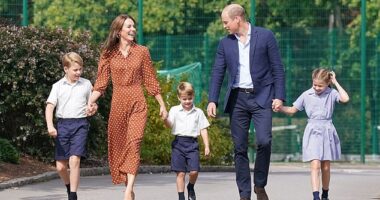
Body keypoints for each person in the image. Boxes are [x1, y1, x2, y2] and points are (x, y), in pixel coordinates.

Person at [207, 3, 286, 200]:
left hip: (263, 96)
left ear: (237, 19)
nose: (224, 26)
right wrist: (212, 99)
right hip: (238, 100)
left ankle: (260, 185)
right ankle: (244, 194)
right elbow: (218, 71)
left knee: (264, 141)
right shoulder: (225, 43)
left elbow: (277, 68)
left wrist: (279, 96)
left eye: (226, 22)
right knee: (239, 148)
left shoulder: (265, 36)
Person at [86, 14, 168, 200]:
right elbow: (101, 83)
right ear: (118, 31)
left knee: (134, 143)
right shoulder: (108, 54)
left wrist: (162, 105)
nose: (133, 30)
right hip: (118, 104)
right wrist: (91, 102)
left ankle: (127, 191)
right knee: (120, 146)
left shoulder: (142, 51)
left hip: (138, 102)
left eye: (134, 26)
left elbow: (150, 80)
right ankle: (129, 188)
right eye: (128, 27)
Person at [278, 68, 349, 200]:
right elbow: (293, 110)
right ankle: (315, 196)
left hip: (327, 130)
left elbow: (345, 98)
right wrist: (280, 108)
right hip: (312, 131)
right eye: (314, 84)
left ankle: (325, 194)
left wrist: (335, 82)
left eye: (320, 85)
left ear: (328, 83)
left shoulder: (332, 93)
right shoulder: (306, 95)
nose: (316, 87)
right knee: (315, 165)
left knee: (326, 167)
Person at [45, 52, 97, 200]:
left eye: (80, 69)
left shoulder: (86, 84)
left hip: (80, 124)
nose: (79, 72)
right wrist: (50, 126)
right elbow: (49, 107)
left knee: (75, 160)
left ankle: (73, 196)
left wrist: (93, 108)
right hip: (63, 125)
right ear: (65, 69)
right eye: (75, 70)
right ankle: (69, 187)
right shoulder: (57, 86)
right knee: (61, 167)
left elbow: (93, 104)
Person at [164, 82, 210, 200]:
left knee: (194, 171)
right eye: (184, 99)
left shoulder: (198, 112)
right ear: (179, 98)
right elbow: (169, 125)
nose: (187, 101)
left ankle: (190, 186)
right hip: (178, 144)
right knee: (181, 173)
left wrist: (206, 146)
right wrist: (165, 119)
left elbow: (203, 129)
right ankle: (181, 197)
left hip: (192, 144)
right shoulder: (174, 110)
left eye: (190, 98)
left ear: (193, 96)